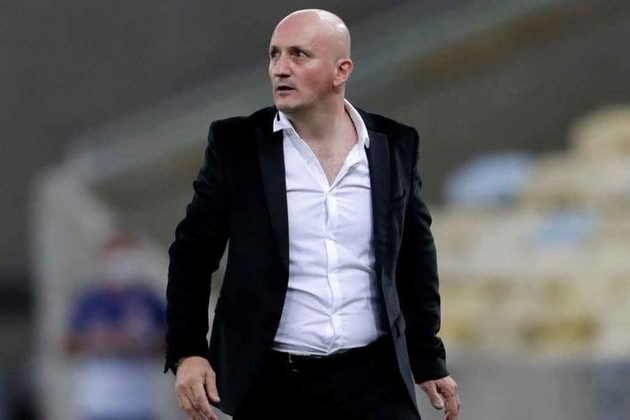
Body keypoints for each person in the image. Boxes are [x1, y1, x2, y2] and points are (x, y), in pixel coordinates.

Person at [165, 9, 460, 420]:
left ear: (342, 70)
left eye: (299, 55)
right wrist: (188, 351)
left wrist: (427, 356)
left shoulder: (393, 144)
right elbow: (192, 254)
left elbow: (416, 257)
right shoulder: (238, 146)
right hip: (274, 385)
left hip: (375, 380)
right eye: (274, 55)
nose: (280, 69)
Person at [66, 232, 165, 420]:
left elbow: (171, 344)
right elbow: (69, 344)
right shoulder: (89, 301)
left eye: (128, 258)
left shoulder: (150, 300)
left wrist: (144, 342)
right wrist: (103, 342)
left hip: (140, 403)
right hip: (98, 402)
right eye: (117, 259)